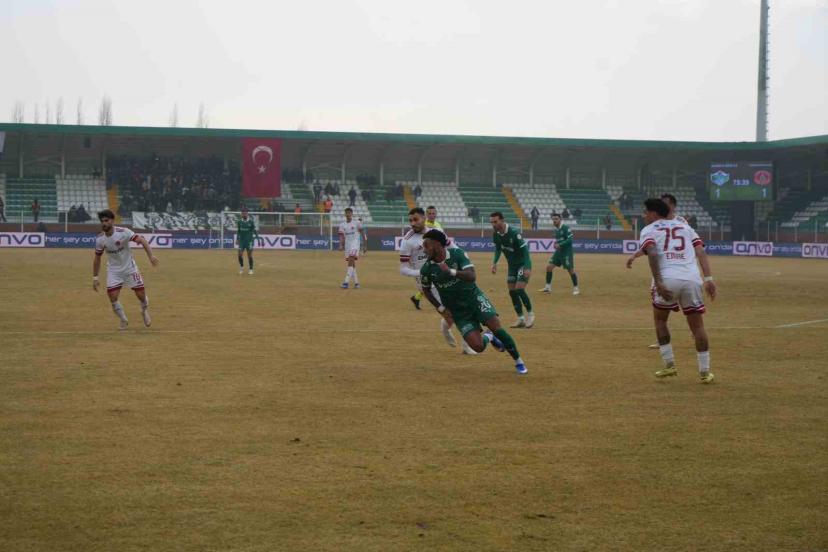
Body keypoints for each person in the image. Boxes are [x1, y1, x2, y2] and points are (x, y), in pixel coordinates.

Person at [631, 198, 717, 383]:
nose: (644, 216)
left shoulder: (649, 229)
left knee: (660, 321)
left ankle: (669, 364)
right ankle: (705, 372)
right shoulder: (685, 227)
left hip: (668, 279)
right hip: (692, 279)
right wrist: (709, 279)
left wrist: (659, 282)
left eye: (646, 212)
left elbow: (652, 253)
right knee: (698, 327)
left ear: (654, 213)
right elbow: (701, 251)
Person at [419, 229, 527, 374]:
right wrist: (440, 308)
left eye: (426, 246)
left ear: (437, 244)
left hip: (474, 298)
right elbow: (426, 290)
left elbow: (472, 276)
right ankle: (489, 336)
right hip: (458, 311)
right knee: (478, 347)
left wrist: (451, 272)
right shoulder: (426, 269)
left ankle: (518, 361)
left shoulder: (457, 254)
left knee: (496, 326)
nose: (424, 250)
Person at [399, 207, 475, 354]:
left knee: (457, 309)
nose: (412, 223)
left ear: (424, 218)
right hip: (427, 282)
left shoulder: (436, 233)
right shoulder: (407, 241)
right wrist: (423, 273)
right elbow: (403, 269)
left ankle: (449, 330)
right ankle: (466, 345)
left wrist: (464, 257)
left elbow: (452, 247)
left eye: (415, 219)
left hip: (444, 274)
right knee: (454, 311)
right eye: (410, 220)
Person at [92, 209, 159, 330]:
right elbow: (97, 258)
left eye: (106, 221)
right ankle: (123, 319)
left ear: (112, 221)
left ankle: (144, 311)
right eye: (102, 221)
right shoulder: (100, 239)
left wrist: (151, 256)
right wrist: (95, 278)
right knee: (112, 297)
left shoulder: (124, 232)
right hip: (114, 271)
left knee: (141, 296)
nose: (104, 223)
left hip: (130, 269)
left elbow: (142, 240)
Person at [491, 211, 535, 328]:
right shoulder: (495, 234)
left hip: (522, 264)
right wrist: (495, 263)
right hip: (512, 266)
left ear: (502, 220)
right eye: (492, 222)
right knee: (512, 292)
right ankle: (521, 319)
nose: (493, 224)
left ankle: (530, 314)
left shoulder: (514, 232)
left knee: (519, 289)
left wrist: (527, 267)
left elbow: (525, 250)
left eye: (495, 222)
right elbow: (498, 248)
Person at [539, 213, 580, 295]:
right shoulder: (556, 230)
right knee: (549, 267)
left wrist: (560, 244)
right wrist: (556, 244)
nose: (554, 221)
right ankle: (548, 288)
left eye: (556, 219)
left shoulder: (565, 228)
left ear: (560, 219)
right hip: (559, 252)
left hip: (567, 252)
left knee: (570, 270)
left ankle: (576, 288)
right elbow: (559, 240)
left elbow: (570, 239)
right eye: (553, 219)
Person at [338, 207, 367, 289]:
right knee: (352, 263)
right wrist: (341, 245)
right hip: (347, 245)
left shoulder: (357, 223)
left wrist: (365, 245)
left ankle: (346, 282)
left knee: (351, 260)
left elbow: (363, 233)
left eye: (349, 213)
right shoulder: (342, 225)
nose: (348, 214)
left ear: (352, 214)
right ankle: (357, 283)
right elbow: (341, 236)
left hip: (355, 244)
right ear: (345, 214)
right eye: (346, 213)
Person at [236, 207, 259, 275]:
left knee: (249, 255)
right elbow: (239, 231)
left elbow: (254, 230)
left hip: (249, 241)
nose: (244, 214)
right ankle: (241, 267)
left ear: (247, 214)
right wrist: (237, 239)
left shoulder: (251, 222)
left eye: (245, 213)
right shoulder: (239, 222)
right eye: (243, 213)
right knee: (239, 254)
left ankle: (251, 269)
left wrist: (257, 238)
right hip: (241, 241)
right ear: (241, 214)